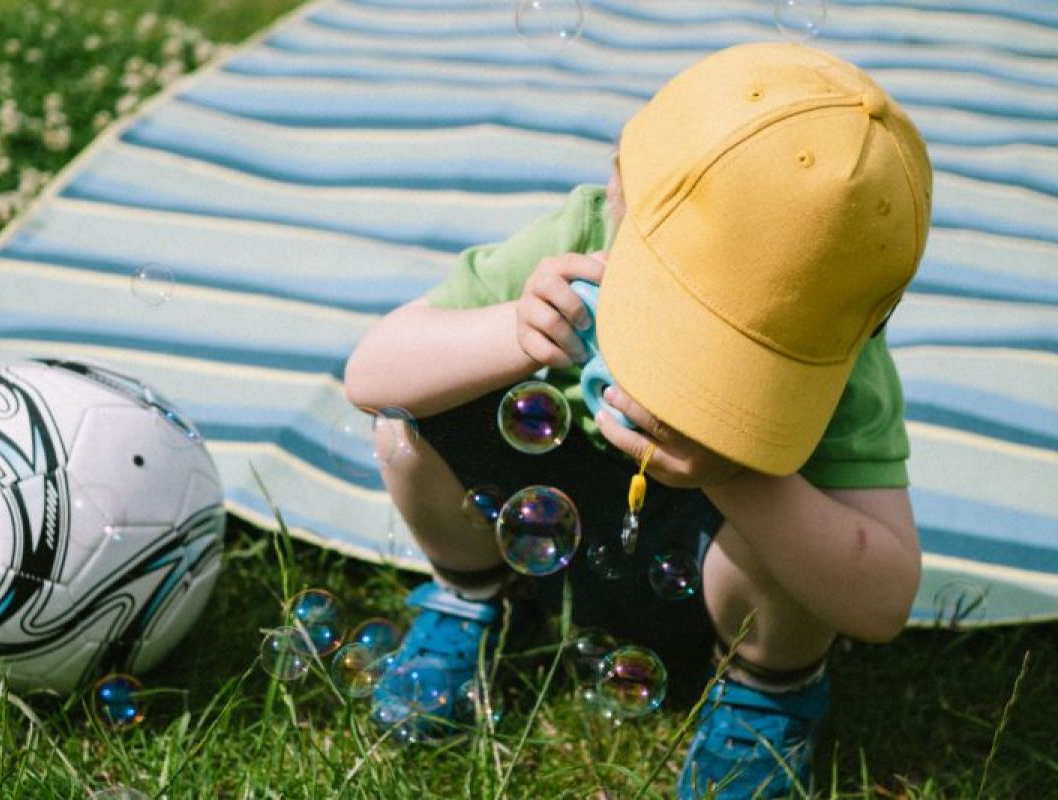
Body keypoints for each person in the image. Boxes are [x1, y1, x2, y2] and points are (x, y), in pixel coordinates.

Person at [343, 41, 931, 798]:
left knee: (801, 520)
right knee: (405, 425)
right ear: (620, 189)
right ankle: (472, 596)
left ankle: (767, 690)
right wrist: (516, 333)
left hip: (718, 576)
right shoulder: (581, 239)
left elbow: (881, 602)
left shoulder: (841, 363)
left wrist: (739, 476)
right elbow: (373, 374)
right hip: (551, 536)